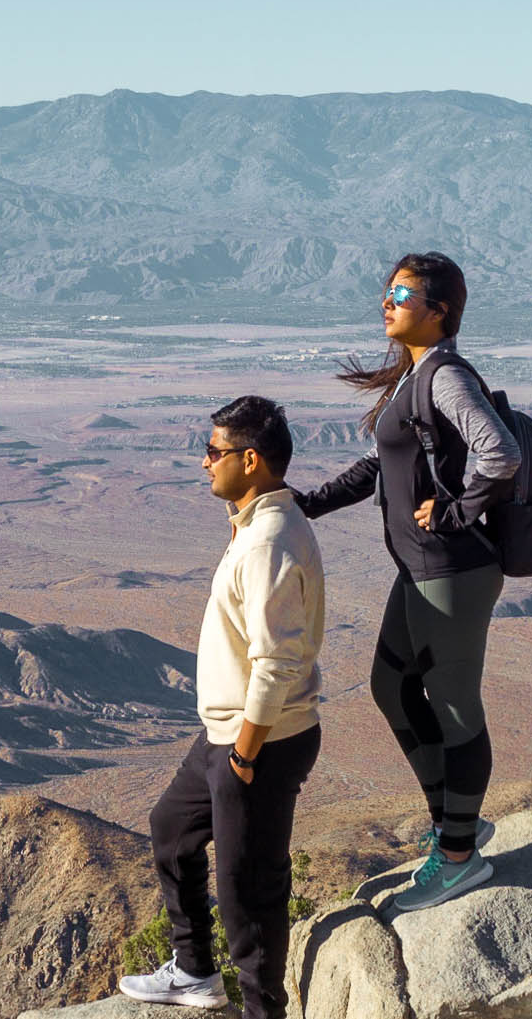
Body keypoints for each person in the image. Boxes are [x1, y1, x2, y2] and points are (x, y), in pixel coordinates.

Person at [296, 251, 519, 913]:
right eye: (387, 289)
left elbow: (500, 451)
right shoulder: (415, 377)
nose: (386, 302)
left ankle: (458, 859)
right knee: (391, 686)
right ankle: (457, 819)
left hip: (453, 571)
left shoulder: (444, 375)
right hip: (419, 570)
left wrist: (458, 508)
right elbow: (378, 468)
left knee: (452, 705)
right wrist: (307, 501)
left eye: (401, 292)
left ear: (439, 308)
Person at [122, 395, 326, 1017]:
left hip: (260, 737)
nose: (205, 462)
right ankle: (192, 971)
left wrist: (244, 753)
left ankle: (264, 1011)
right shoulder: (253, 524)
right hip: (227, 733)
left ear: (252, 459)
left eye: (215, 451)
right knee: (171, 831)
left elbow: (276, 660)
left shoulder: (268, 541)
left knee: (248, 891)